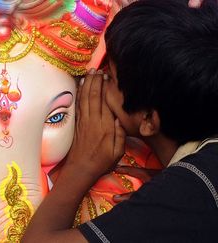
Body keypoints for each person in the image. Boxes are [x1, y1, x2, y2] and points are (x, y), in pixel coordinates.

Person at [23, 0, 218, 242]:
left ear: (147, 119)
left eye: (112, 78)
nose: (98, 79)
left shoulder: (188, 192)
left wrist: (81, 168)